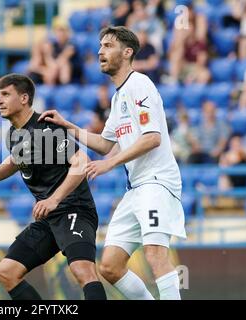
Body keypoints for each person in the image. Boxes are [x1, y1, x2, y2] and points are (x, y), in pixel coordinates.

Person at [39, 26, 186, 300]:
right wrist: (68, 125)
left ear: (127, 52)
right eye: (100, 46)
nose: (100, 51)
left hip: (156, 182)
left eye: (108, 45)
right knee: (110, 267)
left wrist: (108, 165)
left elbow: (152, 138)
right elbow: (106, 144)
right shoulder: (119, 97)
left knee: (155, 254)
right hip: (135, 189)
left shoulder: (139, 84)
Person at [0, 74, 106, 300]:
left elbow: (81, 162)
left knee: (83, 271)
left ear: (24, 98)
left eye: (5, 94)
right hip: (47, 217)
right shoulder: (13, 134)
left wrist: (54, 199)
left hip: (74, 209)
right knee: (7, 272)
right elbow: (15, 160)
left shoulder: (47, 128)